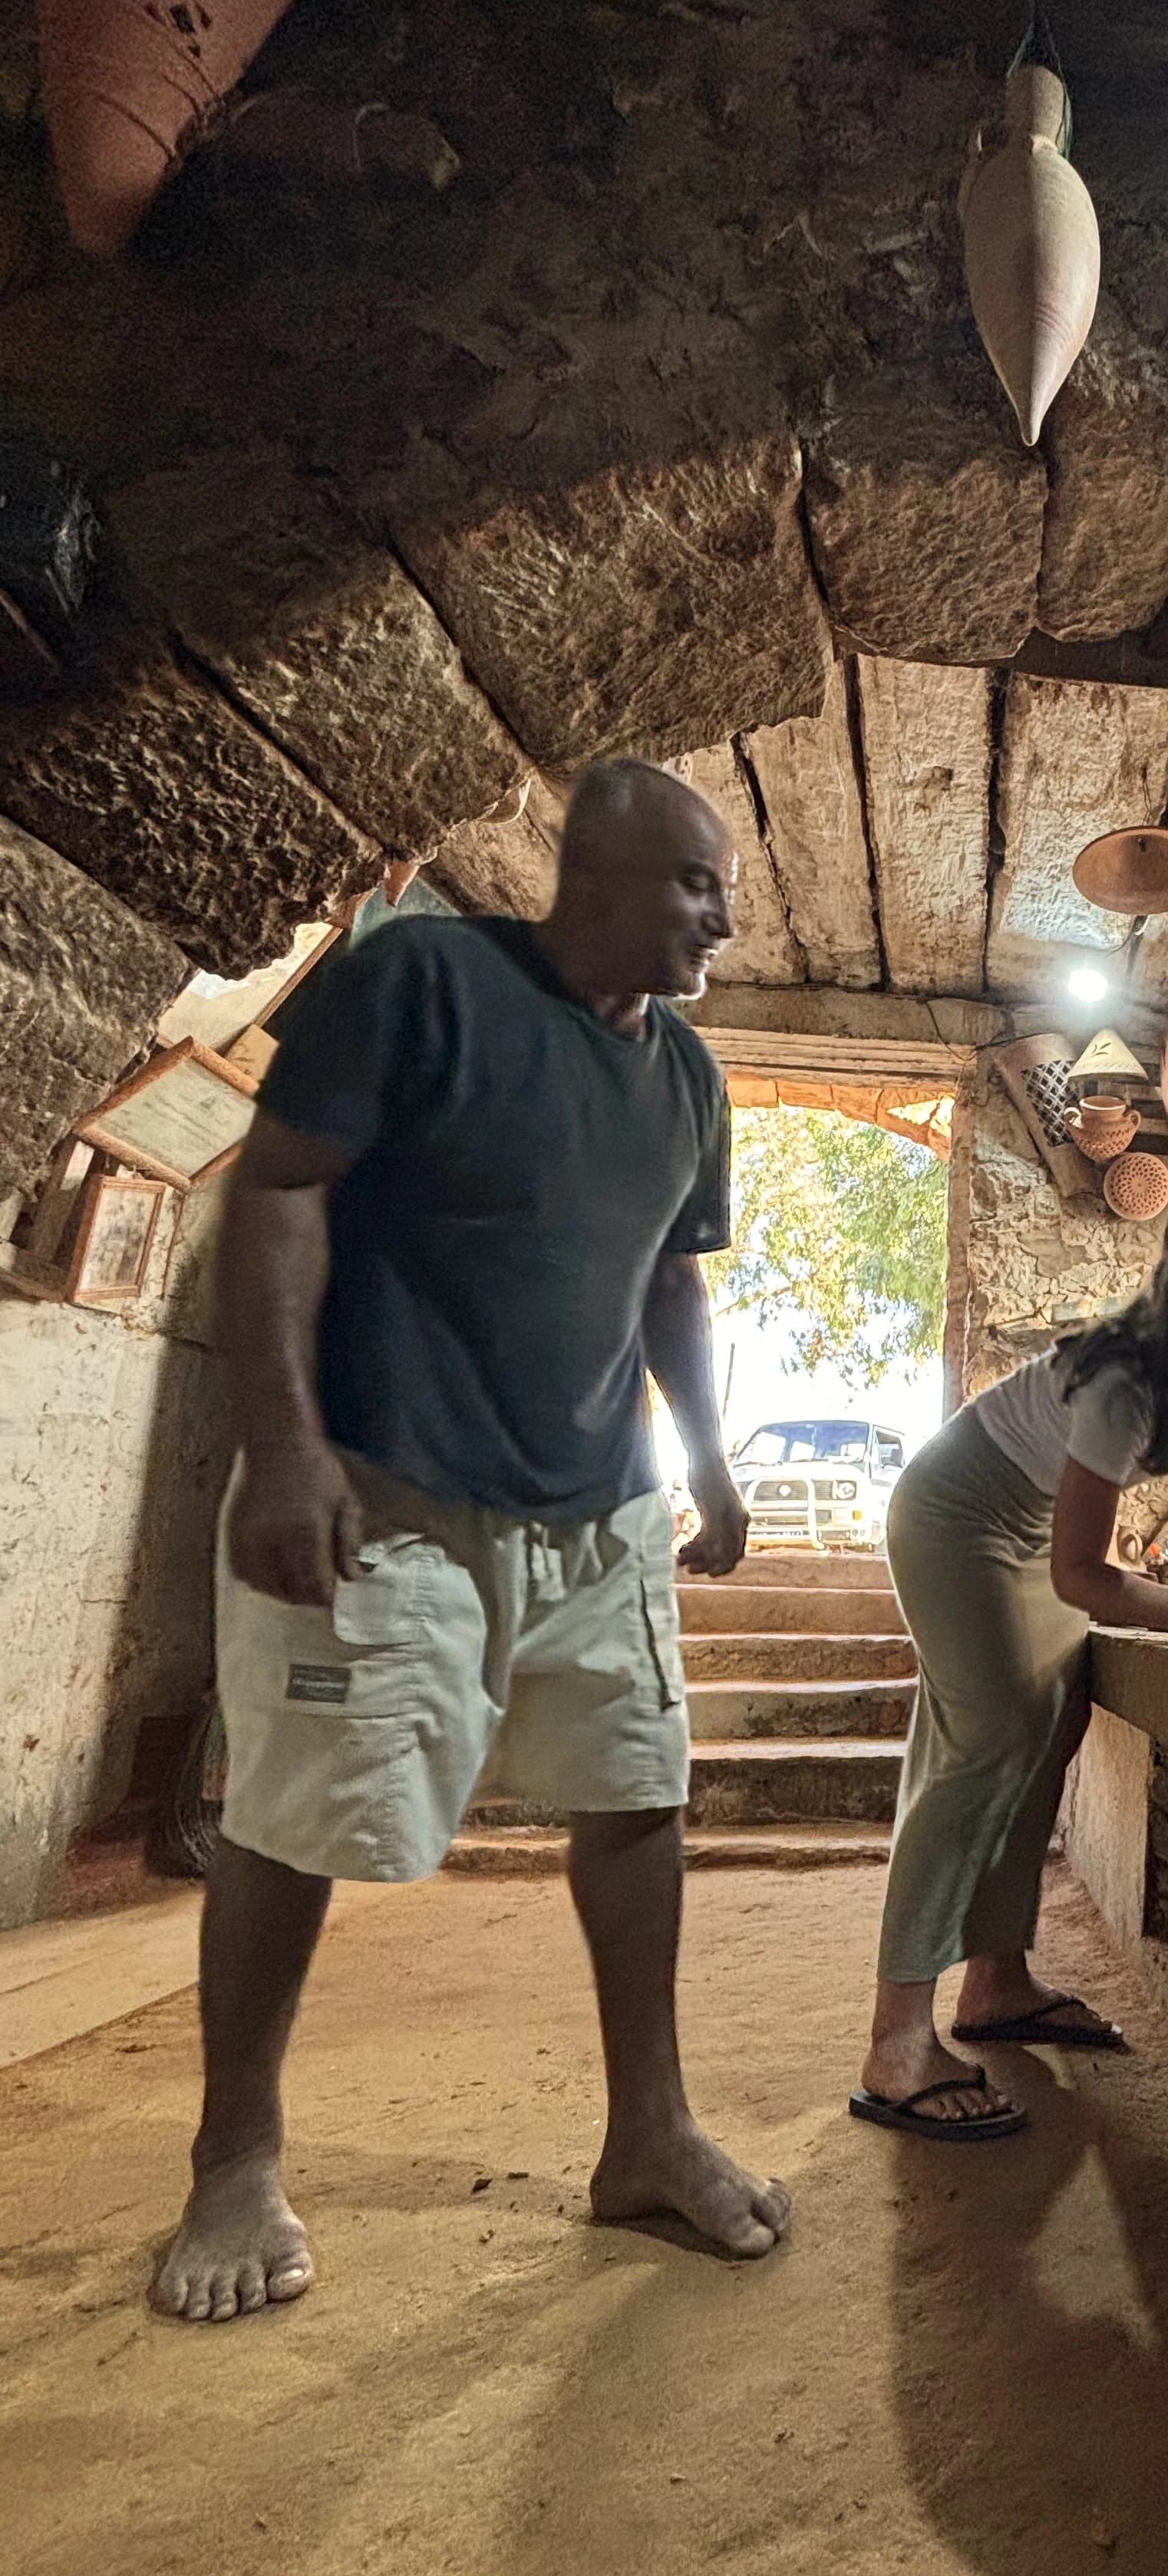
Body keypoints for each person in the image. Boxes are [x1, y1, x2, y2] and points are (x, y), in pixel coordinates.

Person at [150, 759, 791, 2324]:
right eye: (698, 882)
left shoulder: (688, 1078)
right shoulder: (422, 979)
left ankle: (648, 2136)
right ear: (595, 875)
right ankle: (234, 2159)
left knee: (637, 1793)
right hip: (388, 1488)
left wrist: (708, 1466)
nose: (723, 915)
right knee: (299, 1813)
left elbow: (670, 1283)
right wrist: (285, 1450)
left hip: (601, 1508)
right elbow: (279, 1192)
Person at [853, 1170, 1168, 2140]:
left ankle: (996, 1982)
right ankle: (894, 2039)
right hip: (958, 1514)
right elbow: (1083, 1575)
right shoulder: (1125, 1378)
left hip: (1039, 1525)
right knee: (988, 1740)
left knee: (1056, 1718)